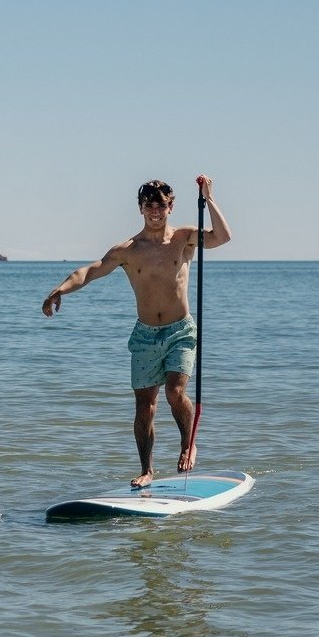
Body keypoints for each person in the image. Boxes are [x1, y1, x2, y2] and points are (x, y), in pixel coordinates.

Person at [41, 176, 232, 488]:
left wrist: (209, 198)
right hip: (144, 335)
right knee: (145, 406)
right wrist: (59, 290)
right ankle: (147, 469)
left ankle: (188, 444)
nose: (155, 211)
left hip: (180, 331)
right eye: (149, 206)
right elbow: (89, 271)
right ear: (141, 209)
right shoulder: (128, 250)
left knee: (175, 392)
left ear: (170, 207)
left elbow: (222, 237)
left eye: (161, 206)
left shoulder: (184, 238)